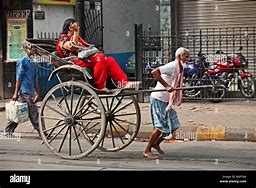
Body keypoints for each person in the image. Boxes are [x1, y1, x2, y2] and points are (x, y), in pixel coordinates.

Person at [56, 18, 137, 90]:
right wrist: (76, 32)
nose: (78, 28)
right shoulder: (63, 38)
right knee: (99, 58)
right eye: (76, 26)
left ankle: (123, 83)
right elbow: (71, 47)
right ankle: (100, 86)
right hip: (74, 62)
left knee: (109, 60)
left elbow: (86, 48)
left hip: (85, 59)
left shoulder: (78, 38)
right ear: (69, 27)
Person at [143, 47, 190, 160]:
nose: (188, 59)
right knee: (160, 126)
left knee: (173, 125)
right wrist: (166, 86)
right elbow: (155, 72)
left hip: (166, 101)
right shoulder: (172, 66)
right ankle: (147, 149)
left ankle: (156, 143)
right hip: (158, 98)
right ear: (179, 56)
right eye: (186, 56)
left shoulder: (180, 67)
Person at [4, 42, 47, 138]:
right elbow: (18, 78)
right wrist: (15, 93)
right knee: (34, 112)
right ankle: (42, 132)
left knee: (18, 112)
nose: (32, 51)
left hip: (29, 92)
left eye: (33, 49)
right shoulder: (23, 61)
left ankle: (8, 131)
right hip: (23, 91)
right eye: (30, 49)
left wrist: (37, 94)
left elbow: (35, 80)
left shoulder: (34, 63)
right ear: (25, 50)